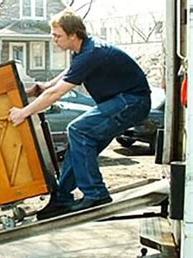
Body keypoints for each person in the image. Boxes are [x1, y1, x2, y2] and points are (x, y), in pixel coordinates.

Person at [9, 9, 151, 220]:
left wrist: (24, 113)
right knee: (78, 147)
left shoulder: (91, 53)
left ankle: (96, 193)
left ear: (73, 35)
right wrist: (39, 88)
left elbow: (57, 93)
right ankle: (61, 199)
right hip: (123, 102)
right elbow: (61, 79)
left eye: (57, 35)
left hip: (132, 101)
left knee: (78, 129)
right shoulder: (83, 52)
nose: (53, 39)